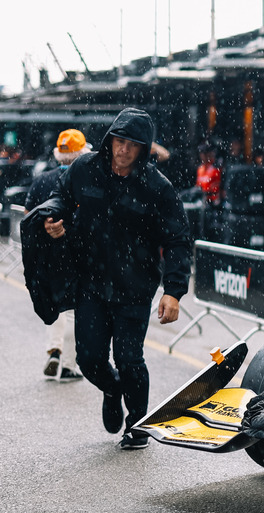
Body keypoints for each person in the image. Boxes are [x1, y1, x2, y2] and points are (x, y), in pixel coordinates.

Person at [43, 107, 193, 450]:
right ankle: (111, 389)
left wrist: (174, 291)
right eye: (119, 141)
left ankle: (138, 424)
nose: (123, 149)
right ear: (110, 140)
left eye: (133, 144)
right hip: (91, 282)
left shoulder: (157, 186)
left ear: (144, 148)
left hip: (135, 287)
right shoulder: (84, 169)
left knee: (129, 359)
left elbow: (177, 239)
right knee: (89, 359)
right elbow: (60, 199)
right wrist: (53, 218)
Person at [24, 129, 92, 382]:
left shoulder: (42, 180)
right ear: (82, 151)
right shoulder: (85, 179)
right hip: (76, 252)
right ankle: (69, 365)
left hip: (47, 255)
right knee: (74, 308)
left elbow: (28, 215)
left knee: (55, 303)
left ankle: (54, 350)